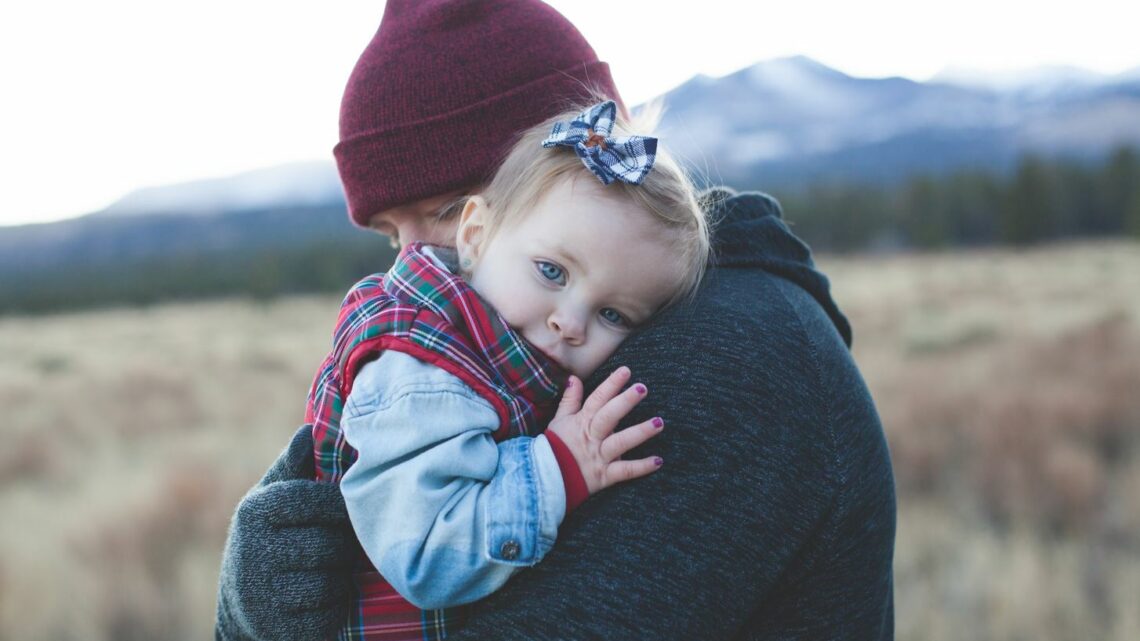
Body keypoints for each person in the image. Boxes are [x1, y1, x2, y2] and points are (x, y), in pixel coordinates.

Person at [215, 1, 896, 640]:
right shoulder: (548, 342)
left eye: (450, 211)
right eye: (392, 236)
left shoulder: (724, 360)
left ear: (579, 163)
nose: (416, 265)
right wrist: (251, 601)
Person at [307, 100, 710, 638]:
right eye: (551, 271)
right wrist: (558, 467)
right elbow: (425, 555)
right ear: (475, 235)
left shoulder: (499, 352)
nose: (570, 323)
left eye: (612, 314)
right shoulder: (421, 373)